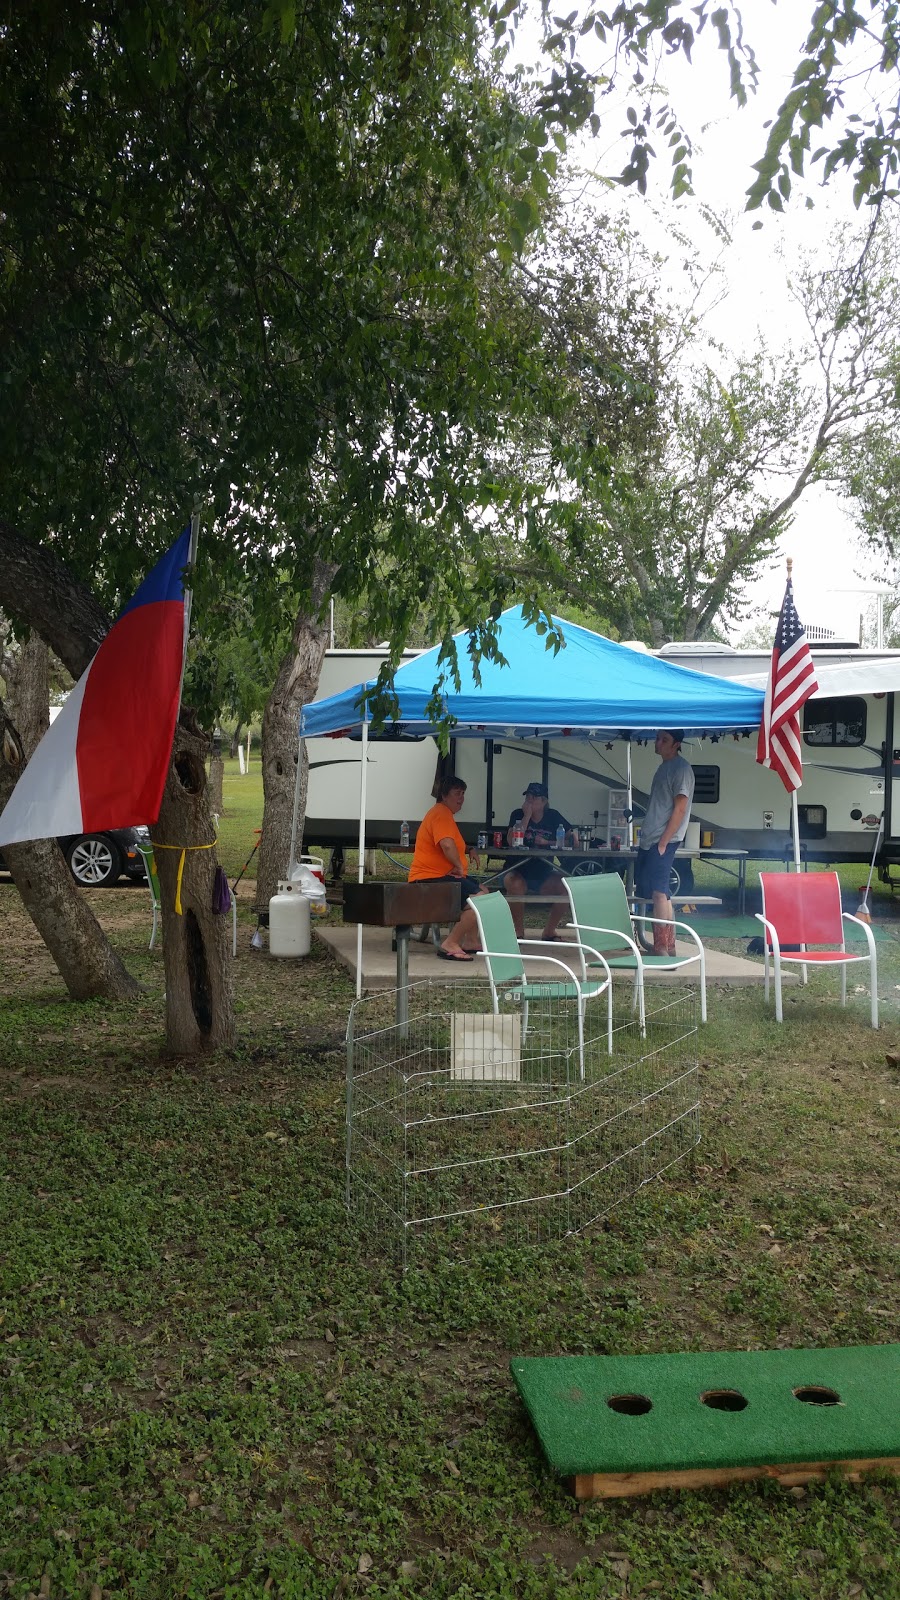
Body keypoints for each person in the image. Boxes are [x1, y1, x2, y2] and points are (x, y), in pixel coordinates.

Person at [408, 774, 484, 962]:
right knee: (481, 901)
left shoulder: (443, 814)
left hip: (437, 877)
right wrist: (459, 866)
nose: (461, 798)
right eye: (457, 793)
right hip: (429, 879)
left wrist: (469, 849)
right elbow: (447, 844)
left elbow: (454, 842)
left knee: (483, 890)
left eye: (463, 793)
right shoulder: (441, 813)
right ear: (444, 795)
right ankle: (450, 943)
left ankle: (471, 941)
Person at [634, 729, 695, 956]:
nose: (658, 742)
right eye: (658, 738)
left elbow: (680, 808)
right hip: (653, 838)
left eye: (664, 739)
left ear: (676, 744)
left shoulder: (681, 769)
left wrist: (663, 842)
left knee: (659, 892)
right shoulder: (664, 767)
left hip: (663, 839)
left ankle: (661, 947)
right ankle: (667, 945)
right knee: (660, 893)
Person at [503, 781, 572, 941]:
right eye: (527, 796)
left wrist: (547, 843)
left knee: (566, 887)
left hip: (544, 871)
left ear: (544, 801)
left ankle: (549, 931)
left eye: (533, 797)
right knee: (515, 885)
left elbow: (569, 840)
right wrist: (526, 817)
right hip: (516, 869)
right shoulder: (517, 814)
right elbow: (511, 841)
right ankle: (518, 932)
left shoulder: (553, 816)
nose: (529, 801)